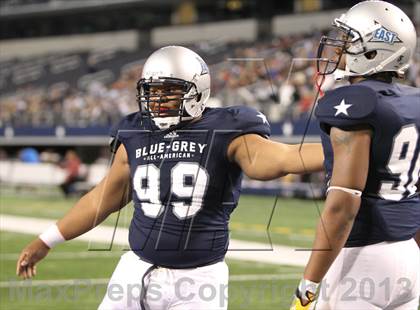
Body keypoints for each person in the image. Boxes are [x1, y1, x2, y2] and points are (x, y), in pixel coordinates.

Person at [16, 45, 324, 310]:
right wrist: (48, 239)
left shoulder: (226, 129)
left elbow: (283, 158)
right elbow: (102, 198)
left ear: (197, 90)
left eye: (170, 91)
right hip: (134, 270)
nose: (158, 101)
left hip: (198, 279)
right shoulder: (135, 132)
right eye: (152, 92)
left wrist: (345, 152)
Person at [290, 1, 420, 309]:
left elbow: (343, 206)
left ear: (374, 52)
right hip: (407, 256)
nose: (339, 50)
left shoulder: (355, 102)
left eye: (349, 41)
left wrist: (308, 285)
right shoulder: (411, 103)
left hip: (361, 263)